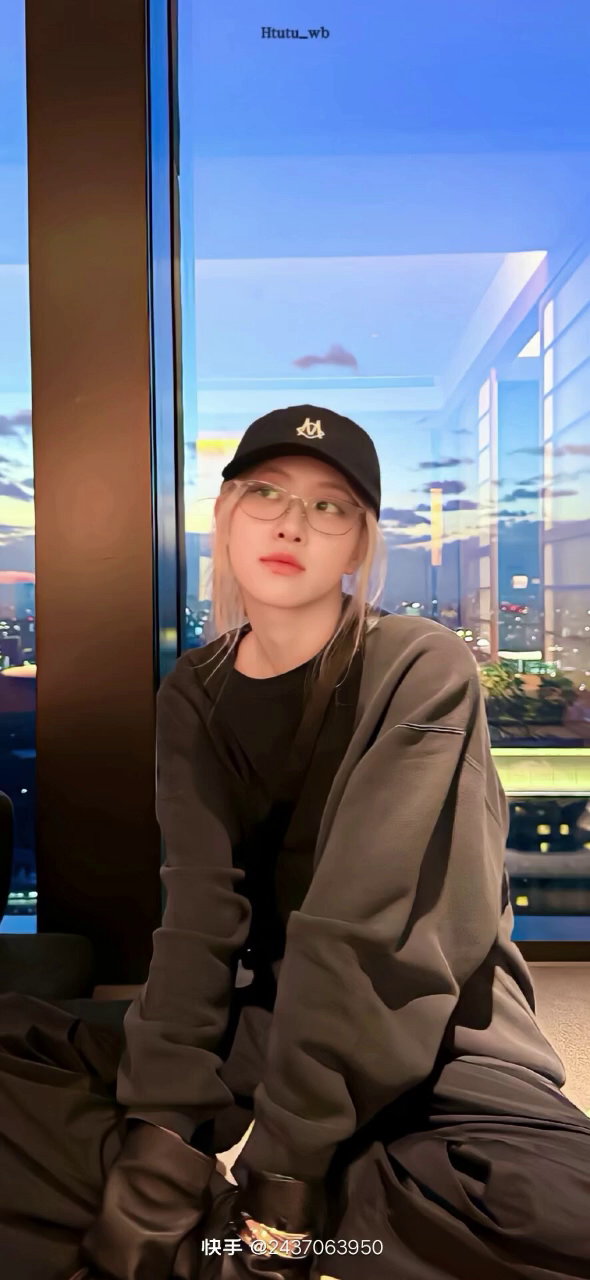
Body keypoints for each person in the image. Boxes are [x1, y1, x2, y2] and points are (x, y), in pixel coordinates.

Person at [1, 403, 590, 1280]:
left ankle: (255, 1237)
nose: (291, 523)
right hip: (262, 1021)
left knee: (552, 1218)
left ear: (359, 543)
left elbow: (367, 931)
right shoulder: (195, 690)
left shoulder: (420, 665)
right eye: (266, 494)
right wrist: (162, 1138)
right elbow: (199, 917)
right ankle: (232, 1234)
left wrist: (282, 1171)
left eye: (328, 506)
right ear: (226, 517)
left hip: (434, 1031)